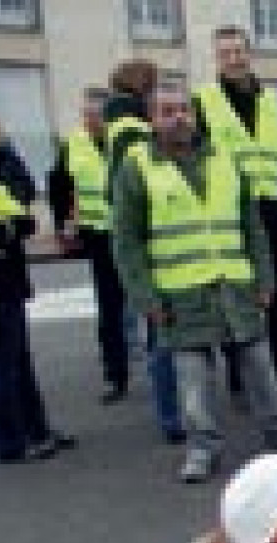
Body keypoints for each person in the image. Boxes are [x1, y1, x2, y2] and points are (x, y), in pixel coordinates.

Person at [111, 83, 277, 482]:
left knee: (262, 368)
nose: (178, 118)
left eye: (184, 110)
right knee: (194, 381)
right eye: (167, 111)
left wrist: (263, 277)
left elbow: (251, 226)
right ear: (152, 120)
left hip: (234, 286)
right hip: (180, 293)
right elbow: (126, 240)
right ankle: (202, 450)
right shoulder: (136, 165)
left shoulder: (223, 158)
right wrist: (145, 297)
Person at [195, 26, 277, 402]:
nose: (234, 59)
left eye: (239, 51)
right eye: (226, 53)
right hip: (230, 217)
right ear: (217, 59)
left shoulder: (273, 102)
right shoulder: (203, 102)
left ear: (250, 54)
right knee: (236, 300)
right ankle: (244, 384)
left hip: (274, 213)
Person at [105, 58, 183, 445]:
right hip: (159, 253)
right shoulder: (133, 133)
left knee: (162, 338)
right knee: (162, 339)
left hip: (156, 249)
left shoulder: (119, 125)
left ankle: (176, 414)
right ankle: (173, 417)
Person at [0, 118, 75, 464]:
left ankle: (35, 429)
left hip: (6, 274)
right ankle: (13, 439)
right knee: (3, 362)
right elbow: (15, 212)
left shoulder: (2, 157)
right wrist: (12, 227)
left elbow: (22, 194)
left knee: (17, 359)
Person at [49, 87, 130, 404]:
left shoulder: (125, 143)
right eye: (85, 115)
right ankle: (115, 375)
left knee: (148, 307)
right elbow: (59, 187)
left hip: (130, 236)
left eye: (95, 115)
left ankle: (162, 371)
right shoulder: (74, 145)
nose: (89, 122)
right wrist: (64, 226)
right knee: (109, 310)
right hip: (98, 237)